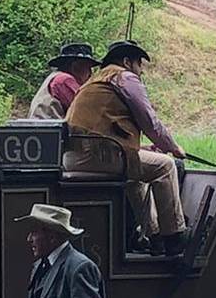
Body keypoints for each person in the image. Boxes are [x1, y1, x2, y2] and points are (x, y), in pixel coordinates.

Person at [64, 40, 189, 255]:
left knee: (135, 178)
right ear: (127, 62)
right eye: (139, 64)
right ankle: (174, 237)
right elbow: (150, 122)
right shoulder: (124, 77)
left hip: (75, 156)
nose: (141, 71)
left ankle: (154, 235)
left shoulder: (96, 81)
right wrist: (173, 147)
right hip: (99, 155)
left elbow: (106, 127)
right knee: (166, 166)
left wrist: (143, 148)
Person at [28, 43, 99, 121]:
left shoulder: (55, 77)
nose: (90, 73)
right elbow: (85, 110)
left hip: (41, 126)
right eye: (87, 67)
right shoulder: (64, 80)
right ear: (75, 67)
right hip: (49, 127)